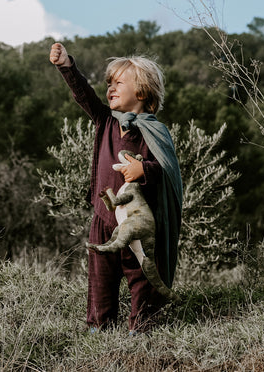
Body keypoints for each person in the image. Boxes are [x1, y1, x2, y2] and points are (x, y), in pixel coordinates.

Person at [49, 42, 183, 333]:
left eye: (119, 83)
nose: (110, 88)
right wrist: (67, 67)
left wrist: (143, 169)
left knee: (143, 277)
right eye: (109, 83)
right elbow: (84, 95)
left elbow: (167, 172)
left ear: (142, 92)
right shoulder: (105, 122)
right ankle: (99, 327)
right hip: (104, 218)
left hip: (138, 222)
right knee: (101, 278)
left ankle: (141, 329)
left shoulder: (154, 131)